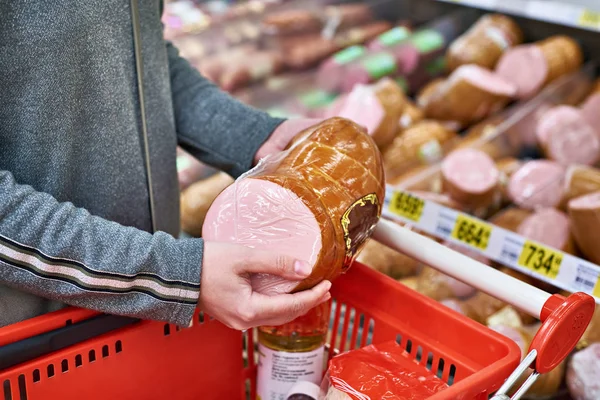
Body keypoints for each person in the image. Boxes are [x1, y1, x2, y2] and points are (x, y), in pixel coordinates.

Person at [0, 1, 332, 330]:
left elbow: (140, 55)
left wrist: (252, 135)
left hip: (143, 313)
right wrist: (175, 273)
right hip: (31, 339)